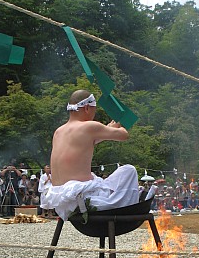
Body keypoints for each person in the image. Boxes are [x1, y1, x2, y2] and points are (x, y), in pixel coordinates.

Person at [45, 90, 139, 221]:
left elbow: (87, 141)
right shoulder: (89, 126)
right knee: (129, 170)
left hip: (62, 201)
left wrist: (108, 128)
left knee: (99, 179)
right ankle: (125, 213)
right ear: (87, 107)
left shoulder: (59, 132)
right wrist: (120, 125)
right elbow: (124, 135)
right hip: (83, 198)